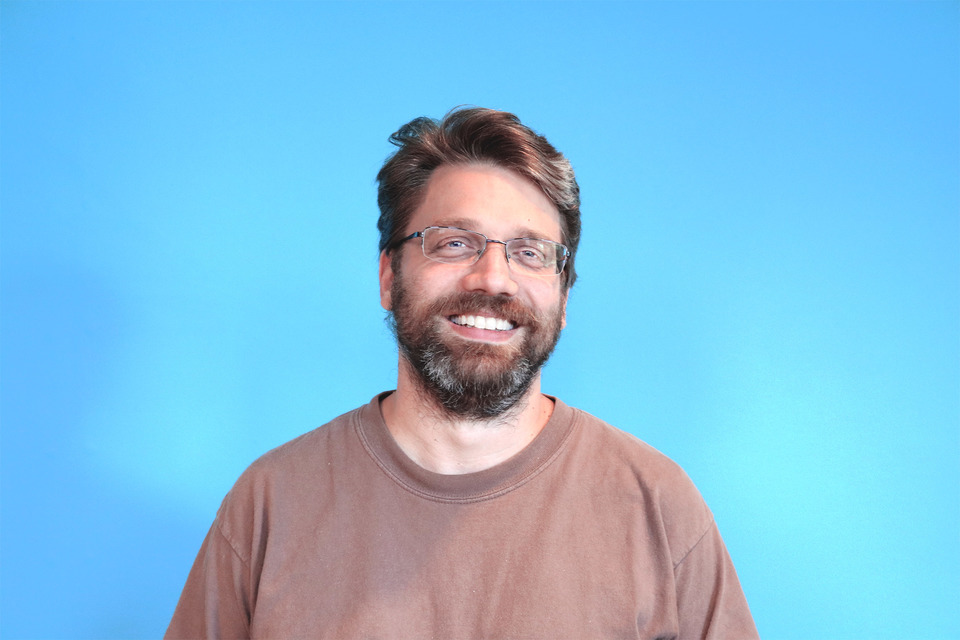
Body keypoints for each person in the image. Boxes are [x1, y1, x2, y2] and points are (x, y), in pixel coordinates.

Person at [165, 107, 758, 639]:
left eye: (530, 253)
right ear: (388, 278)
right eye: (453, 243)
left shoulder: (657, 505)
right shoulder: (270, 503)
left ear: (565, 298)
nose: (493, 279)